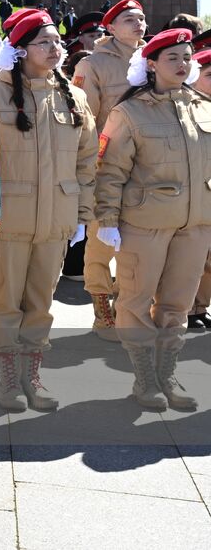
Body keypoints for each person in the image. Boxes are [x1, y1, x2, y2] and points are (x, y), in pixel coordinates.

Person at [94, 28, 211, 411]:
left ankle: (167, 374)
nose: (182, 64)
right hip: (144, 223)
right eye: (173, 57)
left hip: (195, 225)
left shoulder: (203, 106)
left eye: (187, 57)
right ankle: (144, 377)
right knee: (135, 300)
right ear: (151, 64)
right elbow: (109, 171)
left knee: (177, 304)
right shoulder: (129, 111)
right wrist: (107, 219)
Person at [0, 11, 96, 411]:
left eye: (56, 41)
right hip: (9, 221)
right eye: (43, 42)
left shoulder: (73, 95)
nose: (55, 49)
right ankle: (9, 379)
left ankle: (33, 375)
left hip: (56, 220)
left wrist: (82, 214)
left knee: (41, 303)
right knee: (6, 301)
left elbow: (87, 161)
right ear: (20, 50)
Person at [72, 0, 147, 340]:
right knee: (101, 243)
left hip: (148, 167)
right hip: (107, 165)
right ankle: (102, 310)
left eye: (142, 18)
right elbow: (85, 120)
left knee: (140, 244)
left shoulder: (154, 60)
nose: (139, 24)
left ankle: (127, 307)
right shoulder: (94, 64)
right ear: (111, 27)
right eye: (130, 19)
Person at [187, 48, 211, 330]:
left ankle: (199, 306)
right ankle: (188, 308)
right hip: (191, 194)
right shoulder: (184, 107)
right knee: (192, 256)